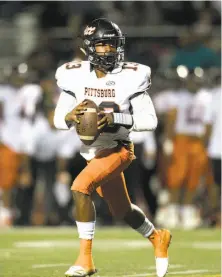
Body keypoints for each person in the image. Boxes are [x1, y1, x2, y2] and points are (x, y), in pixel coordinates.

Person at [54, 18, 171, 277]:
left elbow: (150, 121)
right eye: (104, 45)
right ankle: (157, 237)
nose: (110, 50)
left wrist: (115, 118)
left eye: (113, 45)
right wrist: (70, 116)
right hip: (92, 152)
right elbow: (58, 120)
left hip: (119, 148)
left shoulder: (132, 76)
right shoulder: (72, 74)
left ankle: (85, 260)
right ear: (89, 48)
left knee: (80, 187)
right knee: (123, 211)